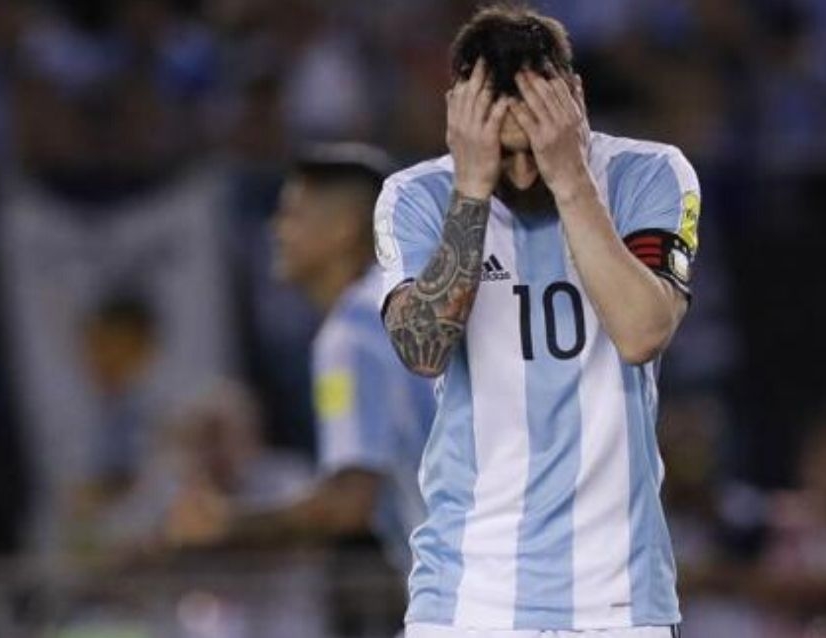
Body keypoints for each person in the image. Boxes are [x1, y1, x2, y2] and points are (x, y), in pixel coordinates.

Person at [375, 6, 700, 638]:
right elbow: (422, 350)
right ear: (460, 118)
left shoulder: (649, 176)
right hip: (466, 599)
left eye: (534, 148)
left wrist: (570, 176)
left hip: (618, 602)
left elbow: (642, 333)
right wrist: (472, 187)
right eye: (504, 153)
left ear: (574, 98)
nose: (524, 173)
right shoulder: (415, 197)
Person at [168, 143, 436, 573]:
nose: (275, 229)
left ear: (344, 228)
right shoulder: (407, 305)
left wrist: (226, 523)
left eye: (292, 215)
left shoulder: (351, 333)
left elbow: (349, 504)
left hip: (475, 586)